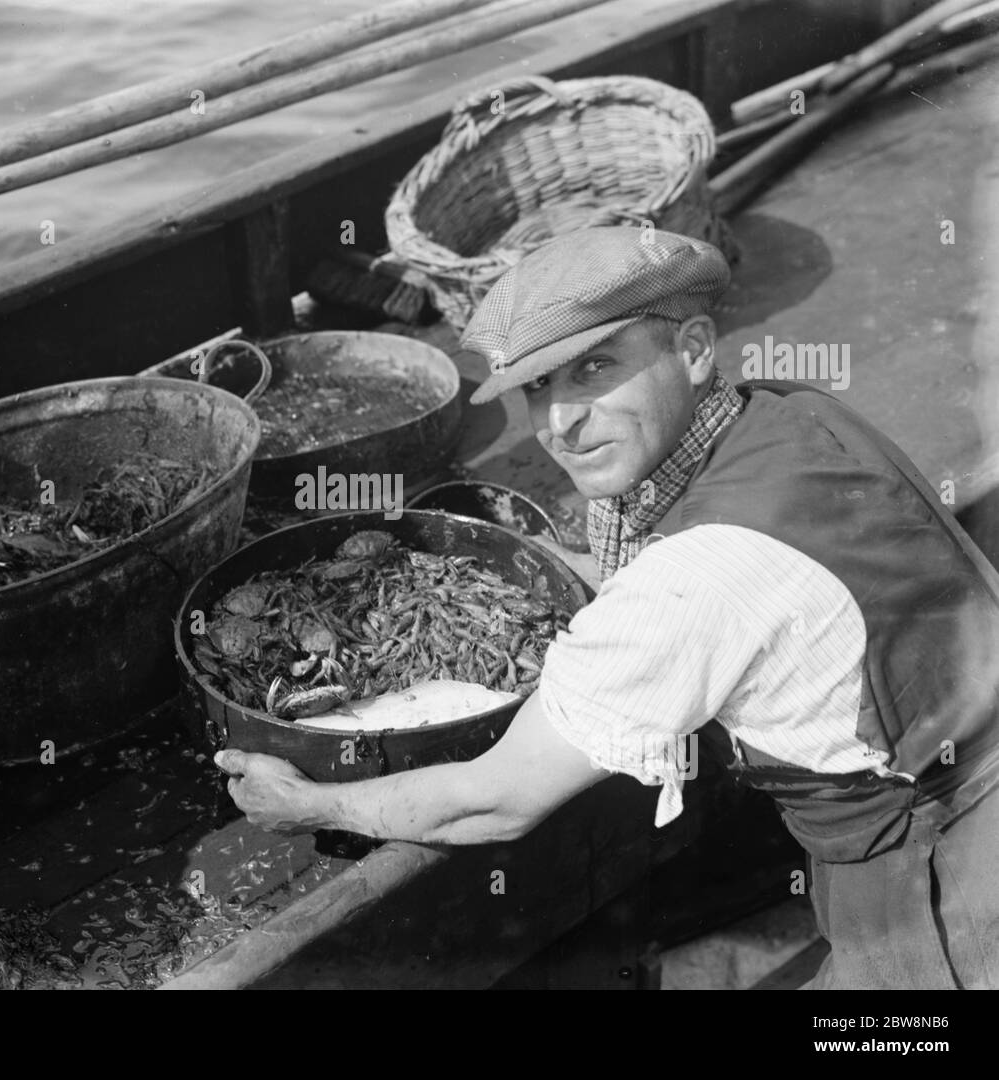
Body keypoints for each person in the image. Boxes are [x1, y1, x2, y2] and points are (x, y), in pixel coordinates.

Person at [215, 226, 999, 990]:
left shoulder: (692, 581)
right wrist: (558, 558)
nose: (560, 424)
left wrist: (309, 803)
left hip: (942, 876)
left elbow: (492, 803)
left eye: (594, 368)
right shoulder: (793, 412)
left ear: (693, 349)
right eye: (538, 387)